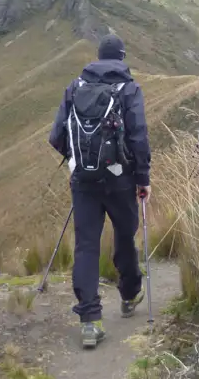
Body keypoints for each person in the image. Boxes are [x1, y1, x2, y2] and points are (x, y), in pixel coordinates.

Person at [48, 33, 151, 350]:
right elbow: (138, 136)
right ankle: (130, 293)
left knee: (86, 246)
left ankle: (90, 321)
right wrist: (142, 177)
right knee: (125, 234)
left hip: (83, 181)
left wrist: (80, 161)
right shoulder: (129, 88)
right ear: (122, 57)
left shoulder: (75, 87)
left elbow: (56, 136)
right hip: (121, 179)